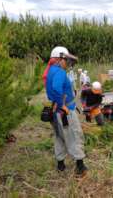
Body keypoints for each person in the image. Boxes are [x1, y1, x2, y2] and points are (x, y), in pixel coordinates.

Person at [45, 46, 87, 176]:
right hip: (64, 111)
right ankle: (80, 166)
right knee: (74, 135)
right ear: (59, 59)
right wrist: (62, 105)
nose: (66, 63)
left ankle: (60, 165)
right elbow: (57, 88)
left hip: (55, 111)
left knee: (60, 137)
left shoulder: (51, 70)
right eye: (65, 60)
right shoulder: (60, 72)